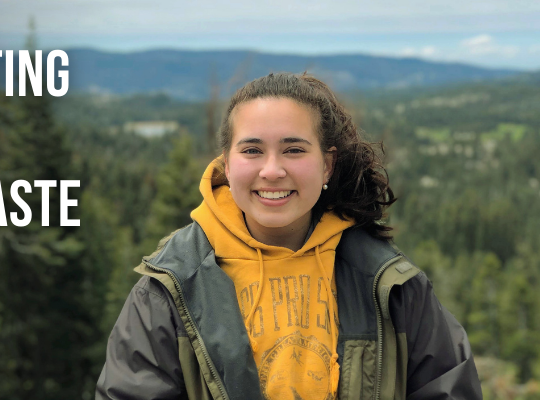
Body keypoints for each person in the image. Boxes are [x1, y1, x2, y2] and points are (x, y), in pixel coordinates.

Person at [96, 73, 481, 400]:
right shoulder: (170, 289)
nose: (272, 170)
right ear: (226, 166)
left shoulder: (389, 284)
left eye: (293, 149)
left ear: (327, 165)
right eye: (252, 150)